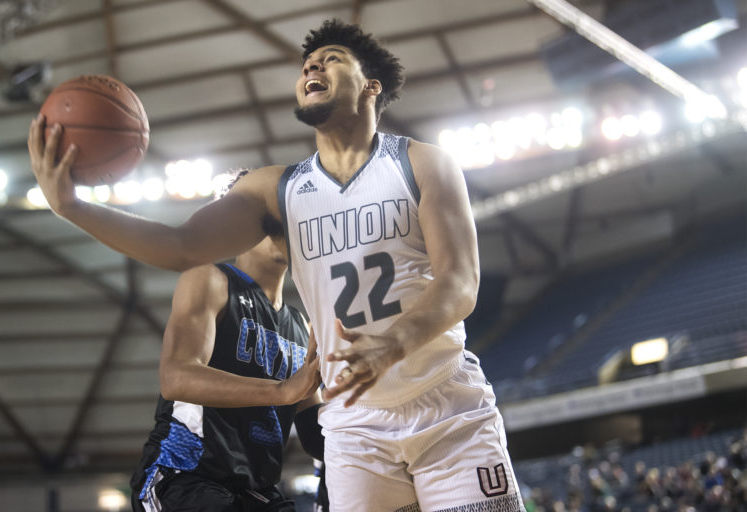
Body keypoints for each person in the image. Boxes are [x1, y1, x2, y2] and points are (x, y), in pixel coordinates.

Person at [29, 19, 525, 512]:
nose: (312, 64)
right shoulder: (276, 190)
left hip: (446, 404)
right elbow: (180, 246)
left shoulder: (422, 163)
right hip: (354, 427)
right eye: (308, 62)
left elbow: (460, 285)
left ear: (371, 85)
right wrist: (73, 207)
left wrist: (391, 343)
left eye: (330, 58)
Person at [129, 172, 324, 511]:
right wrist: (282, 390)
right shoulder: (210, 279)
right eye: (269, 214)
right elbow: (176, 377)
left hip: (254, 490)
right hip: (184, 477)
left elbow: (313, 433)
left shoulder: (300, 323)